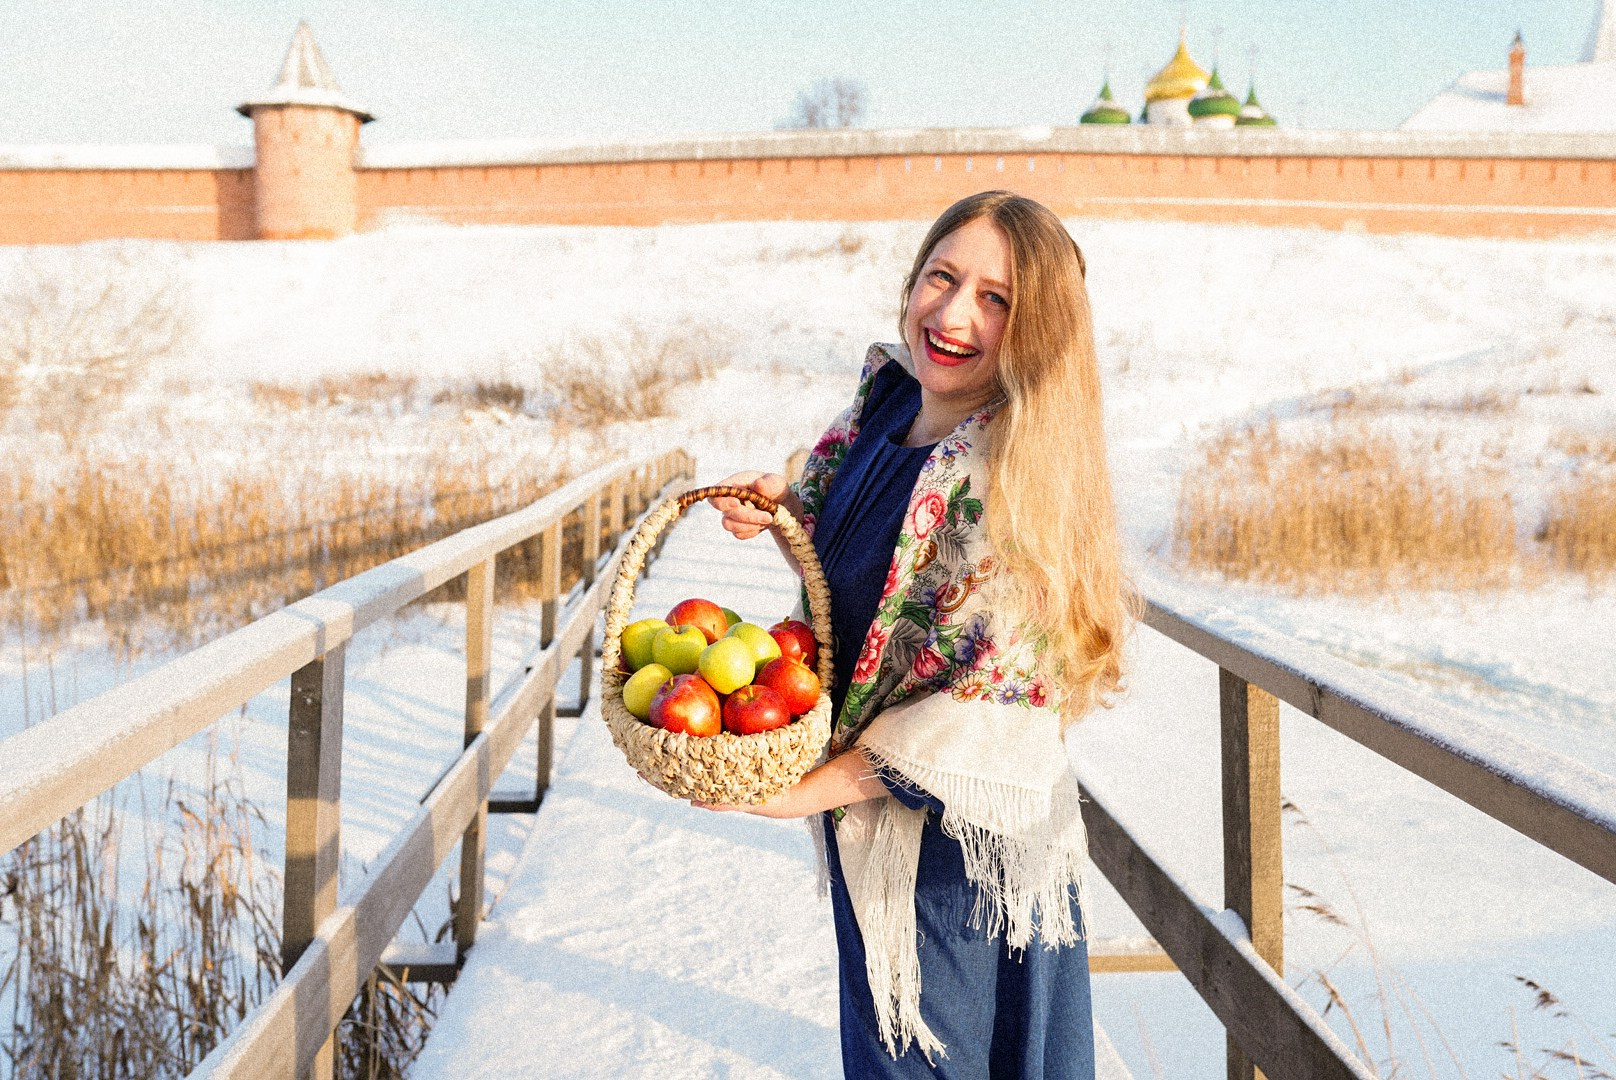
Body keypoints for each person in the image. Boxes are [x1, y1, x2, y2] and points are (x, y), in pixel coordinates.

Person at [702, 190, 1133, 1079]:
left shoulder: (1015, 476)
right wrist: (786, 511)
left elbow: (984, 706)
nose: (953, 313)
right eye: (943, 276)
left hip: (959, 859)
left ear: (1037, 330)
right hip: (871, 829)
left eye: (995, 298)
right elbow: (871, 566)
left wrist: (799, 792)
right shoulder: (887, 409)